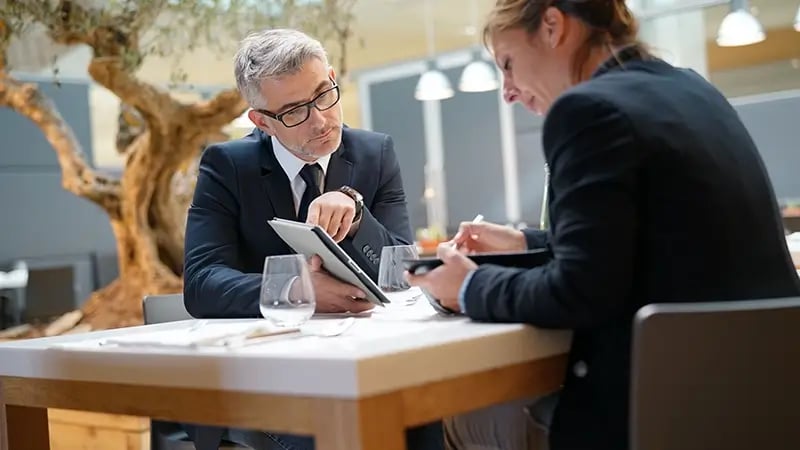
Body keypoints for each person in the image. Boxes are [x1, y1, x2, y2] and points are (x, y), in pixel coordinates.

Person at [408, 1, 800, 450]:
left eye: (508, 64)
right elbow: (641, 242)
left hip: (652, 415)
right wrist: (524, 242)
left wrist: (468, 287)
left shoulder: (587, 110)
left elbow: (579, 293)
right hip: (766, 400)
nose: (508, 92)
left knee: (462, 415)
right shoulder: (693, 89)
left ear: (553, 26)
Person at [183, 28, 443, 450]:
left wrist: (358, 216)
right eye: (294, 112)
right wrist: (299, 291)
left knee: (419, 419)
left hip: (364, 365)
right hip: (263, 384)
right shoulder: (227, 166)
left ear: (334, 78)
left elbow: (402, 272)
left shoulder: (375, 154)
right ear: (261, 121)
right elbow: (202, 283)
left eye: (324, 94)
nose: (320, 120)